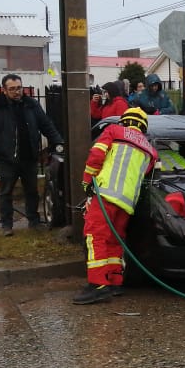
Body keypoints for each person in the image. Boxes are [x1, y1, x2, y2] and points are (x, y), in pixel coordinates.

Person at [75, 107, 158, 304]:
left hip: (106, 194)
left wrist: (87, 181)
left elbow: (96, 155)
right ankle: (113, 281)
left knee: (95, 237)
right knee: (115, 240)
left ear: (124, 121)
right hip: (127, 202)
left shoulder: (113, 131)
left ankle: (98, 285)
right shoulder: (149, 150)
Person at [0, 74, 65, 236]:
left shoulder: (31, 105)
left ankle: (34, 221)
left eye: (19, 88)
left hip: (29, 156)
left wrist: (58, 142)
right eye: (12, 89)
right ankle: (6, 225)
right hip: (7, 158)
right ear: (4, 90)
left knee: (32, 191)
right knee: (6, 192)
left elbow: (46, 125)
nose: (17, 92)